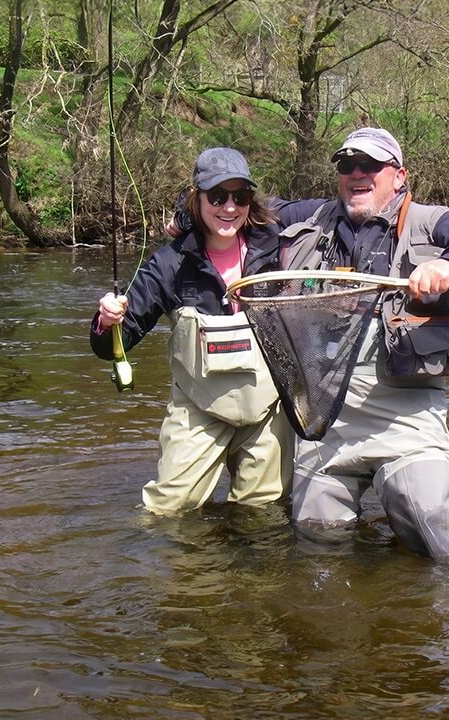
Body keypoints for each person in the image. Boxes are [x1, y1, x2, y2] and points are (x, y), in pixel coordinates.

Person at [278, 127, 449, 560]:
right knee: (316, 548)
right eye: (347, 165)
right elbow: (246, 214)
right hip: (324, 425)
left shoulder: (433, 221)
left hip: (406, 421)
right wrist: (186, 218)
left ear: (399, 175)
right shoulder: (312, 219)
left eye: (370, 165)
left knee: (438, 540)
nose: (357, 174)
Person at [90, 147, 314, 514]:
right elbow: (114, 343)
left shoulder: (274, 236)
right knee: (168, 512)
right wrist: (107, 321)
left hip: (268, 409)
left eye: (240, 196)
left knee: (263, 516)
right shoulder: (169, 263)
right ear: (197, 197)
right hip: (198, 408)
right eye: (217, 196)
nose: (230, 207)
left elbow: (336, 204)